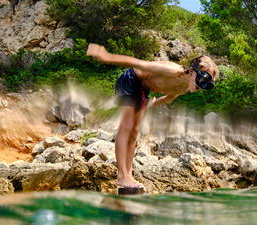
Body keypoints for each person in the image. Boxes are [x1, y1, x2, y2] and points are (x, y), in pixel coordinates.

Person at [86, 43, 219, 191]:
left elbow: (168, 99)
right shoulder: (172, 70)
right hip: (131, 80)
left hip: (143, 89)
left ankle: (128, 175)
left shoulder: (183, 88)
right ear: (193, 71)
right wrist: (107, 57)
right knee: (127, 126)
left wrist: (153, 104)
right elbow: (138, 63)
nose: (202, 87)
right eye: (202, 80)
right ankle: (121, 175)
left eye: (207, 86)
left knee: (135, 131)